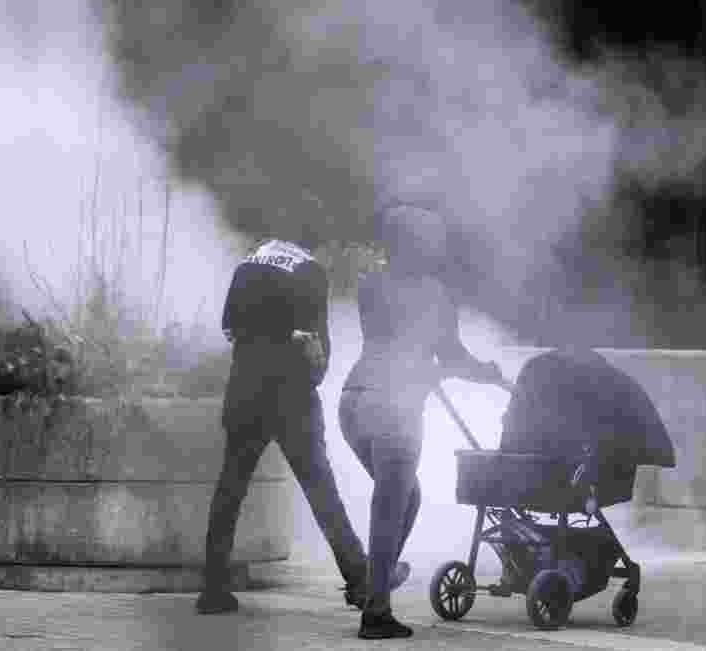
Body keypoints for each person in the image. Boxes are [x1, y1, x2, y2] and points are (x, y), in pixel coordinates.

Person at [196, 223, 408, 614]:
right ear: (319, 242)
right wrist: (312, 376)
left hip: (243, 393)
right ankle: (360, 580)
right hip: (291, 397)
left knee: (230, 490)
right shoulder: (309, 270)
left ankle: (212, 589)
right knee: (321, 491)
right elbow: (317, 345)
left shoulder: (247, 263)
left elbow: (229, 327)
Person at [339, 200, 505, 639]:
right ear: (418, 246)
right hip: (394, 410)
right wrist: (485, 373)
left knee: (405, 498)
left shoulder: (371, 284)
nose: (439, 250)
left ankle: (381, 576)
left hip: (354, 405)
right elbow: (449, 356)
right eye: (432, 243)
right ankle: (376, 611)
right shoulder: (433, 293)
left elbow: (396, 338)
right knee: (390, 507)